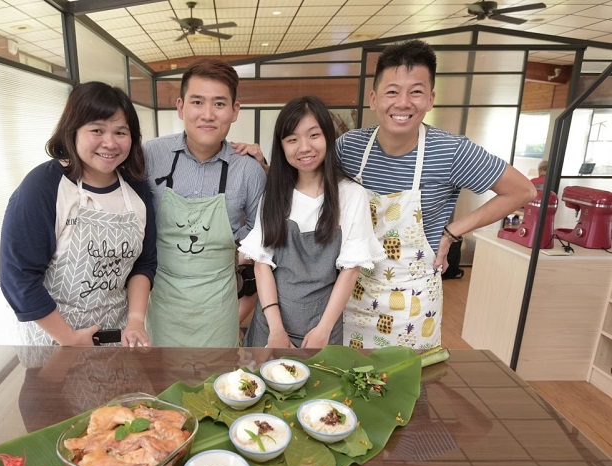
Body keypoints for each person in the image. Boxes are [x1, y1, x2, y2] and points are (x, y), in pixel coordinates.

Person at [236, 39, 535, 349]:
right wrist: (262, 166)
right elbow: (306, 176)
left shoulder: (453, 151)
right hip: (348, 302)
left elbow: (522, 191)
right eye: (392, 92)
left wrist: (451, 232)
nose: (403, 103)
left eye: (416, 91)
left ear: (431, 98)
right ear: (374, 98)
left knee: (403, 390)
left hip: (409, 304)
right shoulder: (351, 146)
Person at [0, 81, 156, 347]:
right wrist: (69, 339)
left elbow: (144, 263)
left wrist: (136, 320)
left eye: (121, 132)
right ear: (72, 132)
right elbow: (18, 275)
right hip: (52, 340)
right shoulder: (44, 187)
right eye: (97, 130)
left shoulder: (137, 188)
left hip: (116, 337)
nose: (110, 143)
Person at [238, 96, 385, 348]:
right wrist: (275, 329)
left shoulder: (351, 195)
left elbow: (350, 271)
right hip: (271, 327)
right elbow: (262, 265)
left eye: (313, 135)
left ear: (328, 136)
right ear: (282, 146)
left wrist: (323, 330)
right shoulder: (273, 196)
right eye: (292, 139)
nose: (304, 147)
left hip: (322, 328)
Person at [143, 58, 266, 347]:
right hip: (161, 305)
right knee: (161, 386)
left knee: (218, 387)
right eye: (197, 102)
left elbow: (263, 247)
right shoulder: (150, 155)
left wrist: (241, 311)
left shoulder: (248, 169)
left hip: (219, 310)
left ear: (235, 111)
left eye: (220, 104)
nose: (207, 114)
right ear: (180, 107)